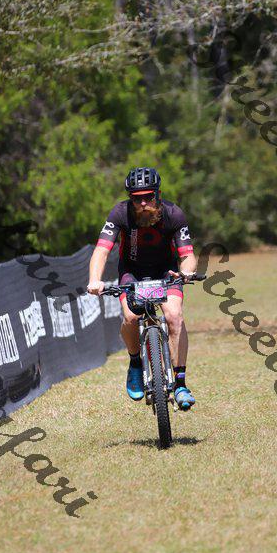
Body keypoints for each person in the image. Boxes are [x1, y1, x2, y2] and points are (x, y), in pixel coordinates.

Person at [87, 166, 197, 410]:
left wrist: (186, 272)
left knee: (174, 316)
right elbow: (101, 250)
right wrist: (95, 279)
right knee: (130, 317)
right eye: (137, 199)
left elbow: (187, 254)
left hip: (166, 271)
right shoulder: (119, 213)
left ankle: (180, 384)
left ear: (158, 195)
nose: (144, 203)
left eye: (149, 197)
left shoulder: (174, 214)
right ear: (130, 199)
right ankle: (135, 362)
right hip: (132, 272)